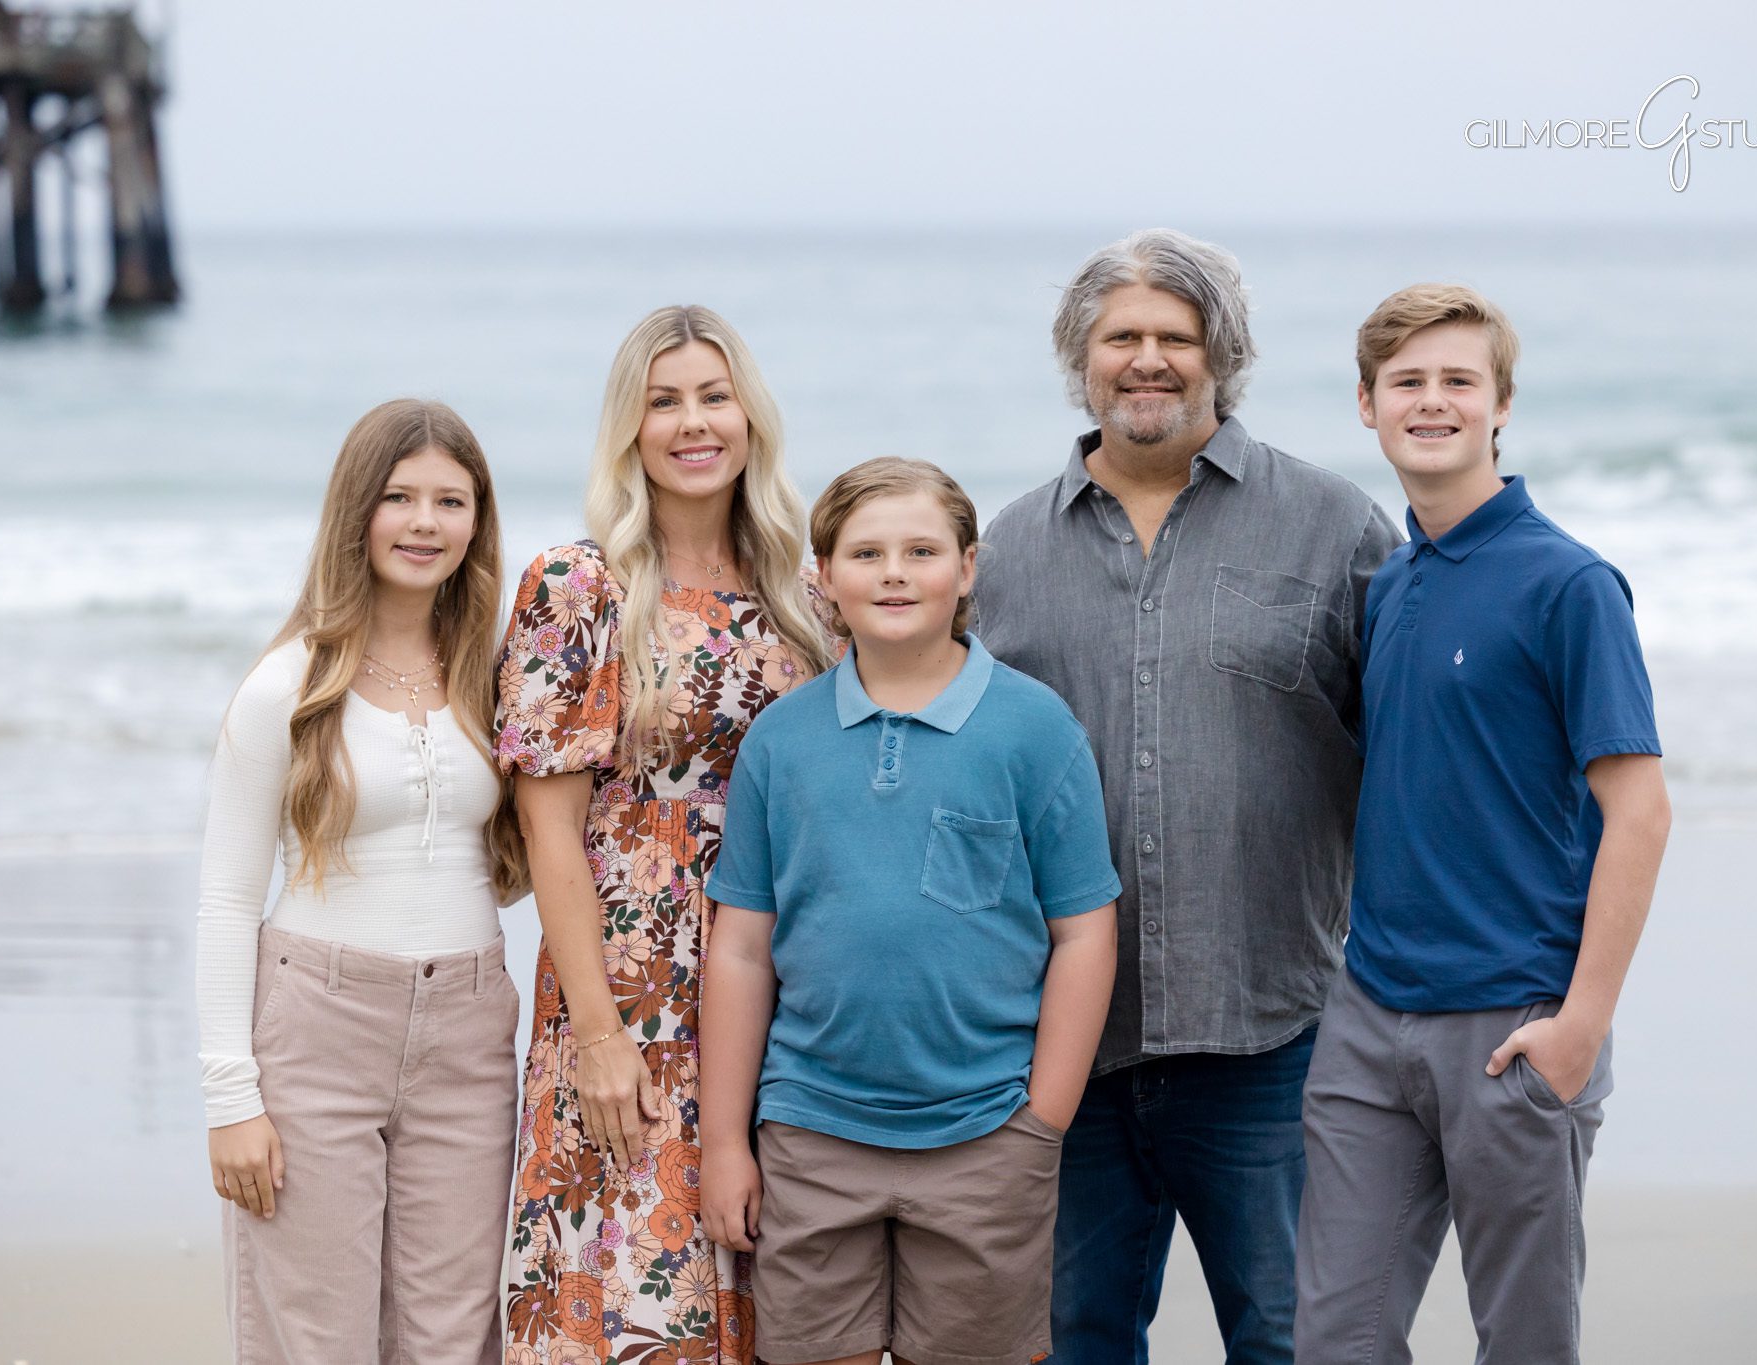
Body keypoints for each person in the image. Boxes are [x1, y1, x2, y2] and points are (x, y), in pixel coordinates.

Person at [972, 228, 1401, 1365]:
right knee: (1075, 1340)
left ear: (1223, 355)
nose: (1148, 359)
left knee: (1298, 1338)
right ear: (1081, 358)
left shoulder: (1335, 528)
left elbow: (1409, 764)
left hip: (1274, 1033)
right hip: (1066, 1047)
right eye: (1122, 337)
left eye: (1177, 336)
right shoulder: (1001, 552)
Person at [1294, 284, 1671, 1365]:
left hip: (1512, 1023)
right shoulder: (1390, 581)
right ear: (1365, 406)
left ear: (1499, 403)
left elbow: (1636, 811)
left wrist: (1578, 1025)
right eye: (1405, 383)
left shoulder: (1568, 584)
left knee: (1522, 1343)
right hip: (1368, 1017)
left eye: (1457, 380)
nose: (1431, 402)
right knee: (1334, 1341)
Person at [699, 457, 1121, 1365]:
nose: (894, 571)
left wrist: (1040, 1120)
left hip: (984, 1134)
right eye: (867, 552)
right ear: (824, 578)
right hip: (812, 1132)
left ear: (968, 568)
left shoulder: (1034, 727)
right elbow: (741, 947)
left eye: (922, 550)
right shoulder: (783, 738)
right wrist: (726, 1140)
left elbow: (1084, 930)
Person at [494, 305, 832, 1365]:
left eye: (713, 396)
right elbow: (548, 833)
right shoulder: (578, 588)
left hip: (778, 989)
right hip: (626, 991)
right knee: (627, 1285)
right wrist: (596, 1035)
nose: (694, 423)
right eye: (663, 401)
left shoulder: (807, 596)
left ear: (750, 417)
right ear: (628, 430)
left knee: (762, 1278)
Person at [197, 398, 529, 1364]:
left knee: (454, 1334)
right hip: (316, 1026)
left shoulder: (491, 676)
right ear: (357, 511)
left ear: (478, 520)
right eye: (399, 497)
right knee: (318, 1336)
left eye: (450, 501)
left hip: (470, 1028)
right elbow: (227, 895)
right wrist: (230, 1098)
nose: (426, 523)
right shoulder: (288, 686)